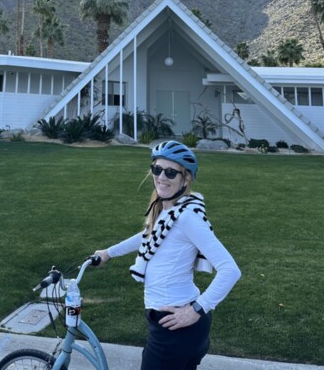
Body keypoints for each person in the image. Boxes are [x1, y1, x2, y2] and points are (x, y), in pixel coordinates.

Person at [95, 140, 241, 370]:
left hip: (176, 328)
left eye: (171, 172)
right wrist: (108, 253)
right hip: (173, 325)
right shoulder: (168, 209)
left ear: (185, 179)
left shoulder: (187, 217)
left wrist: (196, 310)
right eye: (157, 169)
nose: (161, 177)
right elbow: (147, 235)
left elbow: (230, 270)